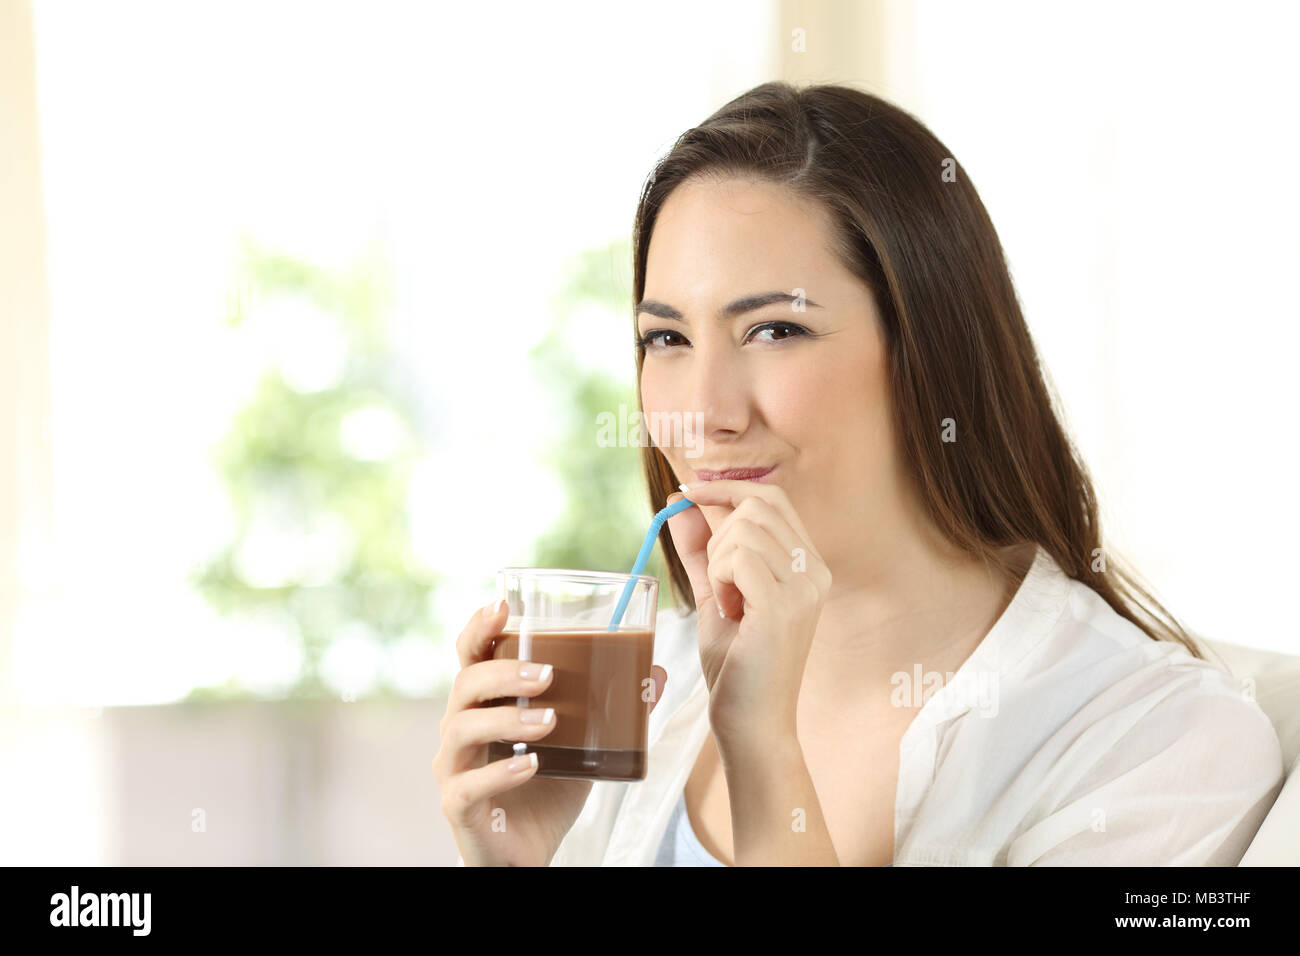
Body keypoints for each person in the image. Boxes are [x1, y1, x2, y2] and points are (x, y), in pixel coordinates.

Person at [435, 81, 1284, 866]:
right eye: (667, 339)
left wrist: (764, 750)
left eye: (774, 330)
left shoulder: (1162, 746)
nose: (704, 412)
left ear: (929, 349)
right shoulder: (649, 691)